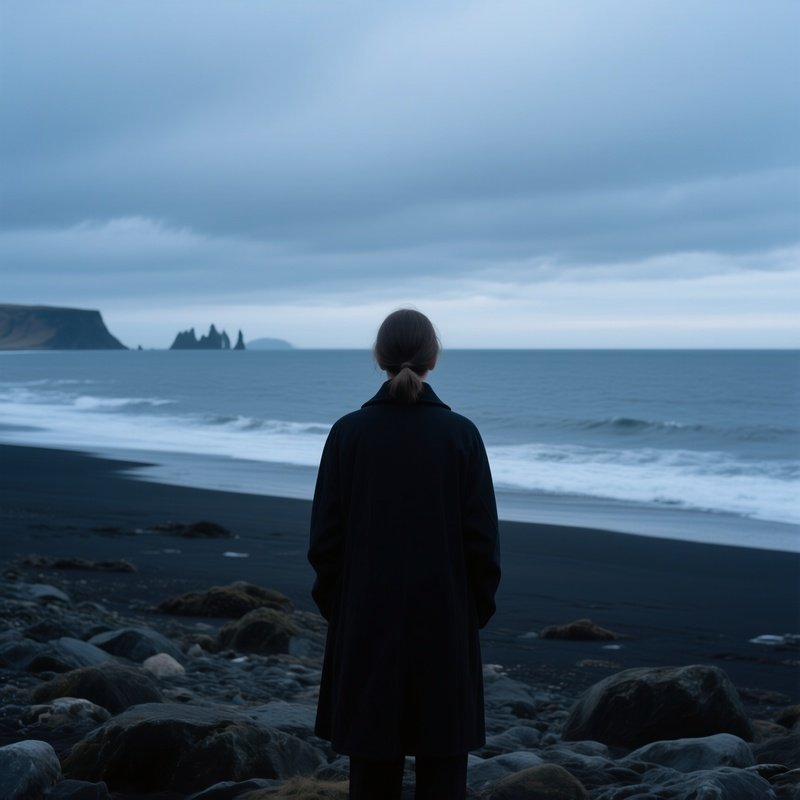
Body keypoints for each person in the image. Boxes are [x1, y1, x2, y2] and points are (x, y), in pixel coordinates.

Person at [308, 309, 501, 800]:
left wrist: (343, 610)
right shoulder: (461, 435)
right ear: (433, 357)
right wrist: (470, 614)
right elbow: (482, 546)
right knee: (444, 774)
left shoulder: (348, 433)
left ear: (380, 358)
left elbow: (324, 543)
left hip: (367, 623)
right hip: (444, 624)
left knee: (370, 777)